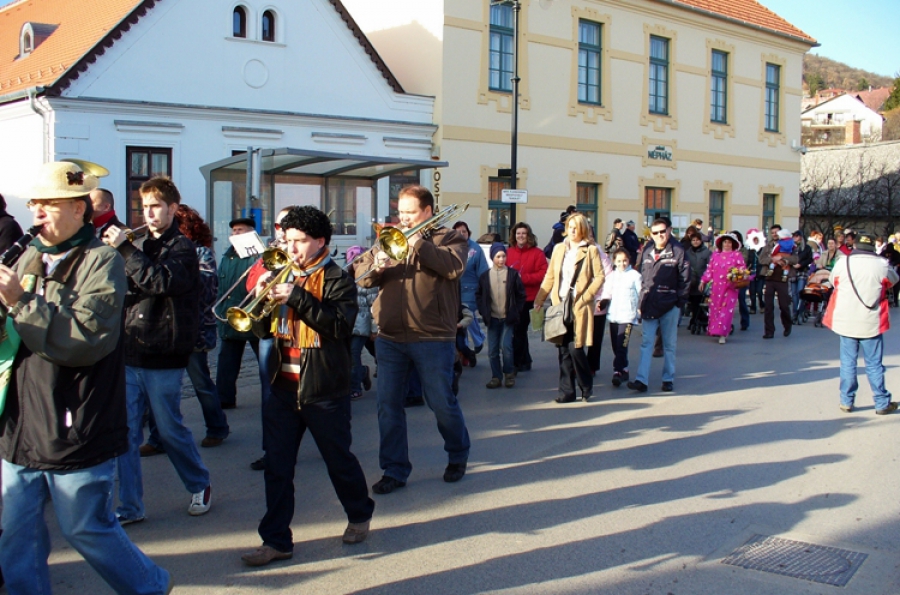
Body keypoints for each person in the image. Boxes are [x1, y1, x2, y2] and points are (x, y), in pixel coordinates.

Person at [0, 161, 172, 594]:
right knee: (17, 533)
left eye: (49, 204)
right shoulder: (29, 253)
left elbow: (84, 339)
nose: (37, 212)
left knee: (85, 528)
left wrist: (21, 302)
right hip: (21, 417)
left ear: (79, 209)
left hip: (76, 417)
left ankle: (150, 586)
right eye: (36, 203)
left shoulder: (102, 261)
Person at [240, 205, 374, 567]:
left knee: (338, 461)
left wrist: (296, 296)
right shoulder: (280, 272)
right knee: (278, 468)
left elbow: (337, 327)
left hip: (323, 389)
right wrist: (263, 305)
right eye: (288, 240)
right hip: (283, 386)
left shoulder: (336, 279)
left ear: (320, 241)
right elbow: (261, 332)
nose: (292, 248)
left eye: (300, 242)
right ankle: (276, 540)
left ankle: (359, 513)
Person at [105, 177, 212, 523]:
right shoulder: (137, 244)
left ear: (172, 209)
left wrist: (124, 250)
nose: (148, 214)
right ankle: (131, 506)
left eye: (155, 207)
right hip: (130, 347)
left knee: (168, 428)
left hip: (164, 351)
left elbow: (160, 281)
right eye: (144, 207)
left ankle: (199, 482)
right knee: (126, 432)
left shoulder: (181, 248)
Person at [355, 185, 470, 493]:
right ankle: (394, 469)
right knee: (388, 405)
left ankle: (458, 454)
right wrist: (377, 268)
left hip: (432, 336)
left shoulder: (450, 238)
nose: (403, 218)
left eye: (410, 212)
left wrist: (418, 243)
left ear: (427, 212)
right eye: (401, 212)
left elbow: (453, 268)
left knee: (440, 402)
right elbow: (360, 275)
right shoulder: (389, 238)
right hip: (391, 336)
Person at [143, 206, 230, 453]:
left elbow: (207, 290)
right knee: (160, 388)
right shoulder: (158, 250)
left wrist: (177, 276)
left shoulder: (201, 252)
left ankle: (217, 428)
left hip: (194, 328)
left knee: (200, 382)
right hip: (163, 327)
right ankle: (157, 438)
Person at [823, 233, 899, 415]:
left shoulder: (843, 262)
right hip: (870, 320)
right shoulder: (881, 265)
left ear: (855, 246)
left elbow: (834, 281)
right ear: (873, 248)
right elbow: (893, 280)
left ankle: (846, 401)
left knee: (848, 362)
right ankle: (881, 403)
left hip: (846, 319)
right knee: (874, 364)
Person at [534, 213, 605, 403]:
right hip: (560, 303)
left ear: (582, 229)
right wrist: (540, 298)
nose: (572, 231)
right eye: (570, 227)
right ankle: (567, 391)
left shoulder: (591, 250)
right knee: (563, 349)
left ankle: (586, 384)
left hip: (579, 305)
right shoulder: (559, 249)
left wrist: (587, 296)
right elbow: (550, 276)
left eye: (576, 227)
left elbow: (600, 277)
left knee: (576, 347)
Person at [627, 218, 689, 393]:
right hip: (649, 303)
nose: (659, 235)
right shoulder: (647, 250)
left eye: (663, 231)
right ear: (651, 234)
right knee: (646, 343)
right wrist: (640, 302)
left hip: (670, 304)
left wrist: (679, 302)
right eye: (655, 232)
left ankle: (668, 379)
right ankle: (641, 380)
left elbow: (685, 279)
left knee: (669, 344)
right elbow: (643, 279)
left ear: (669, 230)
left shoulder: (678, 251)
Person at [216, 216, 266, 411]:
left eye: (240, 230)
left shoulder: (260, 256)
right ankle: (224, 398)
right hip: (231, 317)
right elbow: (222, 287)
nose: (235, 234)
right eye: (234, 231)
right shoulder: (227, 257)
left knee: (265, 363)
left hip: (252, 317)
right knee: (226, 363)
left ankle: (273, 398)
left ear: (251, 234)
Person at [476, 243, 525, 389]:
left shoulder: (512, 274)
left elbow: (521, 294)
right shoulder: (485, 277)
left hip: (507, 318)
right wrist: (483, 311)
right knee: (492, 350)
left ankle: (509, 374)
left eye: (503, 256)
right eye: (498, 256)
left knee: (506, 347)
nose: (501, 259)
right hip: (492, 318)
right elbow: (479, 295)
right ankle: (496, 377)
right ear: (492, 257)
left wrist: (515, 311)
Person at [506, 222, 547, 373]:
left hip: (529, 297)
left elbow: (543, 274)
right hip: (513, 298)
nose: (521, 236)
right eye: (518, 233)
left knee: (519, 330)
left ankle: (518, 361)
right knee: (518, 330)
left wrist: (523, 278)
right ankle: (525, 360)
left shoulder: (537, 253)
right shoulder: (509, 252)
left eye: (523, 233)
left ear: (528, 235)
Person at [601, 248, 642, 387]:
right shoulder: (612, 276)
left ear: (629, 260)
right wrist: (603, 301)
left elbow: (640, 293)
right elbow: (607, 291)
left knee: (622, 344)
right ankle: (624, 368)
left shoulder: (635, 275)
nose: (622, 263)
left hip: (628, 316)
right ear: (614, 261)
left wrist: (640, 309)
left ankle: (617, 371)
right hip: (614, 316)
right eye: (619, 261)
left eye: (624, 260)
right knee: (616, 345)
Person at [700, 233, 745, 344]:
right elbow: (709, 270)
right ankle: (715, 330)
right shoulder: (715, 255)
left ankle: (723, 334)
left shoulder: (737, 255)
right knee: (715, 309)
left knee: (726, 310)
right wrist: (703, 281)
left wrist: (737, 274)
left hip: (730, 287)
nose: (727, 244)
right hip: (716, 288)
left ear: (733, 244)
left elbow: (742, 269)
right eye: (725, 242)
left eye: (729, 242)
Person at [453, 221, 489, 355]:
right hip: (456, 290)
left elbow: (483, 271)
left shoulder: (475, 249)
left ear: (468, 232)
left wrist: (484, 290)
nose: (462, 234)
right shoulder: (452, 247)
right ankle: (466, 349)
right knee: (461, 317)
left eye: (464, 231)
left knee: (467, 314)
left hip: (471, 289)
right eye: (458, 232)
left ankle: (477, 339)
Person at [346, 245, 376, 400]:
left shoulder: (368, 280)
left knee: (354, 354)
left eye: (360, 261)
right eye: (355, 261)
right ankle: (363, 372)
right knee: (348, 356)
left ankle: (355, 387)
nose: (357, 264)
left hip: (362, 325)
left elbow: (373, 305)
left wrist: (374, 329)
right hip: (347, 324)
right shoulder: (345, 278)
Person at [758, 224, 798, 339]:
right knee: (768, 306)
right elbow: (761, 259)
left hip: (783, 279)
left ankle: (787, 324)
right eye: (772, 232)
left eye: (776, 232)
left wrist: (783, 259)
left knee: (784, 305)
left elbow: (795, 259)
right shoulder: (768, 246)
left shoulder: (791, 245)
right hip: (770, 278)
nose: (774, 234)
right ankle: (769, 331)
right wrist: (772, 259)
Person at [685, 232, 711, 331]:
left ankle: (698, 319)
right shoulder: (687, 252)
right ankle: (695, 318)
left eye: (697, 240)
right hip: (691, 280)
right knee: (692, 302)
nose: (695, 242)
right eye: (693, 240)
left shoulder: (706, 252)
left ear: (701, 241)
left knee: (699, 301)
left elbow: (710, 266)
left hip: (702, 281)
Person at [789, 230, 813, 324]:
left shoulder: (807, 248)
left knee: (800, 293)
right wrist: (792, 263)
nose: (795, 238)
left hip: (802, 271)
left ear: (801, 237)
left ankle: (800, 312)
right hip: (793, 272)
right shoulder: (791, 248)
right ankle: (795, 313)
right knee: (794, 294)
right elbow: (787, 257)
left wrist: (801, 264)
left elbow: (809, 259)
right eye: (794, 236)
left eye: (796, 236)